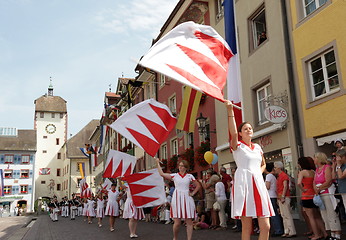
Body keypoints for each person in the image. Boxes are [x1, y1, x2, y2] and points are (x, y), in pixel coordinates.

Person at [225, 101, 273, 240]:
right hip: (244, 184)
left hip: (258, 183)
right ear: (240, 133)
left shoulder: (258, 147)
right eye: (245, 129)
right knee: (247, 228)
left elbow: (263, 164)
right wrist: (230, 111)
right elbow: (232, 133)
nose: (248, 130)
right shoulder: (237, 146)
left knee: (266, 226)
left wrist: (258, 172)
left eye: (250, 128)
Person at [156, 158, 201, 240]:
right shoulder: (175, 175)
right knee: (177, 222)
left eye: (182, 166)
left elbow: (198, 185)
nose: (180, 167)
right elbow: (162, 174)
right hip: (177, 198)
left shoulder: (189, 176)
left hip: (187, 198)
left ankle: (189, 239)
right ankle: (175, 237)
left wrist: (193, 193)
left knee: (189, 221)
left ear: (186, 167)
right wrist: (157, 163)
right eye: (180, 165)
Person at [297, 157, 327, 240]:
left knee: (311, 217)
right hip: (314, 194)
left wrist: (303, 190)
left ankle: (316, 234)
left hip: (306, 196)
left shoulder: (302, 172)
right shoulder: (313, 172)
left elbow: (299, 183)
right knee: (317, 216)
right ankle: (324, 233)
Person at [314, 152, 342, 240]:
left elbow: (328, 180)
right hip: (320, 194)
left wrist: (320, 187)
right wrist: (316, 189)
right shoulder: (317, 169)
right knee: (324, 214)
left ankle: (336, 233)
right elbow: (314, 181)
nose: (314, 160)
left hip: (327, 192)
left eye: (315, 158)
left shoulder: (327, 168)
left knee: (331, 213)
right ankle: (331, 233)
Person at [274, 161, 296, 237]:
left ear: (279, 168)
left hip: (284, 196)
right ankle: (287, 230)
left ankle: (291, 231)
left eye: (276, 167)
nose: (275, 169)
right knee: (283, 215)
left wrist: (283, 196)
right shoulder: (280, 176)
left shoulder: (284, 176)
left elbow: (285, 186)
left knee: (287, 214)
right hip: (280, 197)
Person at [264, 162, 284, 237]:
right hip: (274, 195)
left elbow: (267, 186)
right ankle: (279, 229)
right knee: (275, 213)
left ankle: (278, 230)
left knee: (273, 214)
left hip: (270, 196)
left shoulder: (268, 176)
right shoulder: (273, 176)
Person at [335, 148, 346, 215]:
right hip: (342, 191)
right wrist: (334, 166)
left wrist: (338, 166)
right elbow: (334, 176)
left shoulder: (341, 167)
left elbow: (341, 176)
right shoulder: (341, 166)